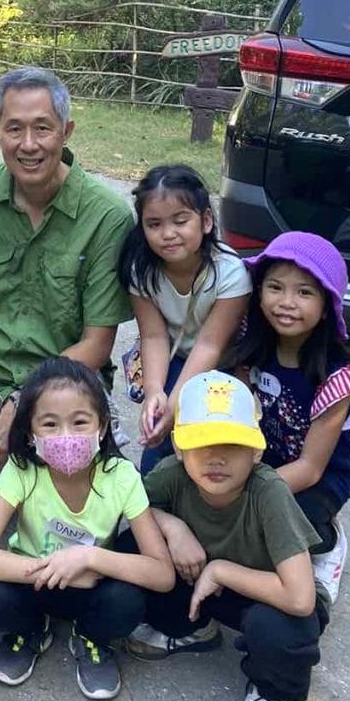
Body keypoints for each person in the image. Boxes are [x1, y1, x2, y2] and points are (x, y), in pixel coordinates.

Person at [0, 66, 134, 453]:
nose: (28, 144)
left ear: (66, 131)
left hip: (66, 381)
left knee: (61, 477)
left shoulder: (107, 216)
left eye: (42, 128)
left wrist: (21, 402)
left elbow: (96, 344)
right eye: (14, 129)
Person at [124, 371, 328, 701]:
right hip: (202, 581)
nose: (216, 458)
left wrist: (220, 570)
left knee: (278, 629)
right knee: (133, 547)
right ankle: (193, 629)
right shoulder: (172, 474)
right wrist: (173, 527)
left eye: (232, 444)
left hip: (269, 593)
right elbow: (130, 505)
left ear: (256, 450)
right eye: (202, 442)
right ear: (179, 446)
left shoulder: (269, 492)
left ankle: (277, 691)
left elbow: (300, 597)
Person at [0, 357, 174, 700]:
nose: (66, 437)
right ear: (30, 434)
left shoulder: (122, 477)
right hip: (30, 580)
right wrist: (54, 570)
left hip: (92, 585)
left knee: (128, 601)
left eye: (79, 422)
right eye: (50, 424)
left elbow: (162, 573)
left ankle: (90, 636)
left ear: (102, 426)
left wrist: (88, 559)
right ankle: (32, 630)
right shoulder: (21, 470)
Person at [227, 232, 350, 604]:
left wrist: (246, 490)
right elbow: (239, 418)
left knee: (282, 523)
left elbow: (310, 468)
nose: (286, 302)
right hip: (263, 460)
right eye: (275, 287)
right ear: (259, 292)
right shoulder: (250, 348)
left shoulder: (337, 379)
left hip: (317, 479)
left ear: (326, 306)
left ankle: (327, 544)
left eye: (304, 292)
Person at [117, 165, 251, 475]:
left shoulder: (231, 273)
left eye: (180, 221)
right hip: (172, 358)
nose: (168, 234)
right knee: (157, 437)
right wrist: (155, 392)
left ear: (206, 221)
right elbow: (153, 337)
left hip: (223, 365)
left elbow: (210, 345)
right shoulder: (142, 271)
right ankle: (152, 492)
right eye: (154, 224)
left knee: (207, 440)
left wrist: (176, 402)